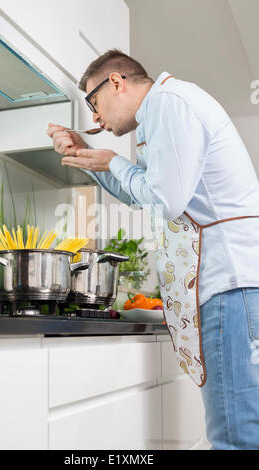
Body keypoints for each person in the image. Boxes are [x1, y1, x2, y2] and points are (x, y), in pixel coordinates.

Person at [47, 49, 259, 450]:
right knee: (240, 429)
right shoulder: (163, 111)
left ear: (116, 82)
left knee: (236, 436)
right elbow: (142, 193)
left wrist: (113, 161)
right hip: (232, 285)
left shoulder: (170, 104)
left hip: (230, 284)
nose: (94, 118)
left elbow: (164, 201)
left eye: (93, 103)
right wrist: (92, 159)